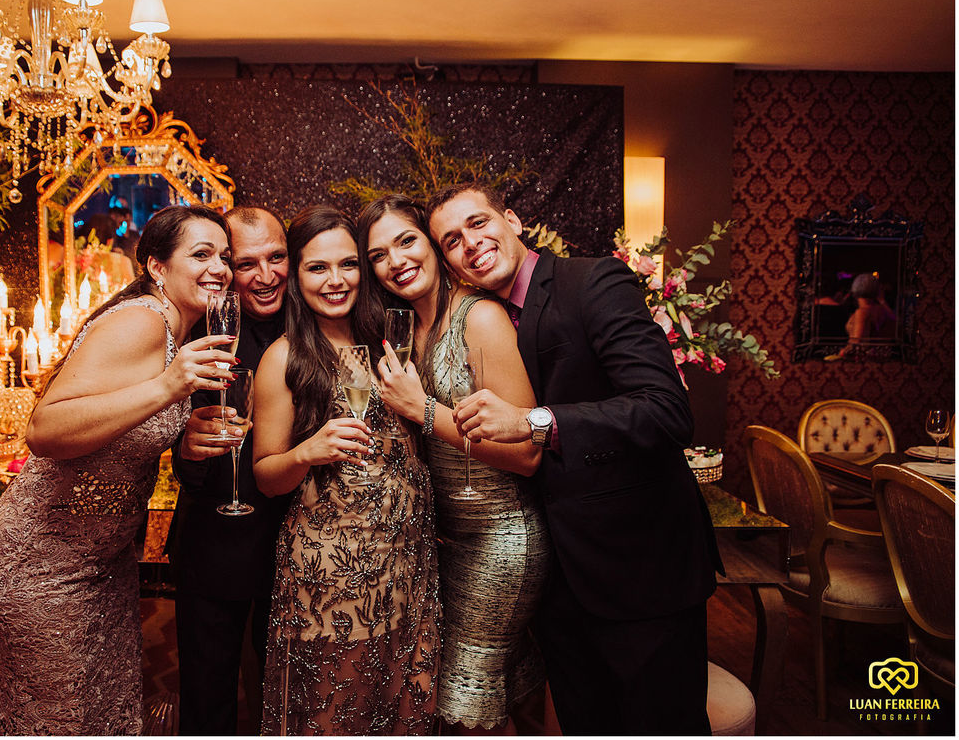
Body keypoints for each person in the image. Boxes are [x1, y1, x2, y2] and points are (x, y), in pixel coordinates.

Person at [426, 183, 722, 735]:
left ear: (512, 220)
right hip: (558, 582)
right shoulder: (479, 318)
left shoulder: (591, 281)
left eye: (478, 223)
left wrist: (534, 422)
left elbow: (665, 411)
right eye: (451, 240)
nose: (470, 243)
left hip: (641, 569)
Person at [0, 206, 237, 735]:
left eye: (225, 256)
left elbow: (118, 427)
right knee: (57, 720)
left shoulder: (180, 335)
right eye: (201, 254)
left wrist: (185, 436)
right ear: (157, 267)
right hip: (40, 563)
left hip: (104, 563)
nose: (220, 268)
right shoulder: (143, 319)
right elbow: (44, 431)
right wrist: (168, 388)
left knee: (100, 713)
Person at [357, 194, 550, 732]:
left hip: (501, 538)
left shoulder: (480, 318)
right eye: (378, 255)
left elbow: (527, 454)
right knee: (492, 684)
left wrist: (421, 410)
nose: (395, 261)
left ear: (433, 245)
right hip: (449, 540)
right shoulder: (406, 330)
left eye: (406, 241)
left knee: (461, 707)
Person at [252, 205, 441, 735]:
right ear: (296, 277)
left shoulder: (391, 339)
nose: (336, 281)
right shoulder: (284, 357)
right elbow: (267, 476)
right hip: (332, 575)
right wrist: (307, 452)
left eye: (349, 264)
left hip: (409, 561)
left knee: (408, 702)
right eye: (318, 268)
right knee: (339, 708)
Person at [168, 206, 293, 734]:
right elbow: (162, 434)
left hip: (295, 545)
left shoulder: (315, 321)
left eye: (277, 257)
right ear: (225, 269)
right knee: (207, 696)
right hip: (216, 545)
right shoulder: (195, 335)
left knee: (284, 693)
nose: (266, 277)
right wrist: (187, 451)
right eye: (248, 264)